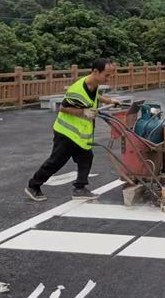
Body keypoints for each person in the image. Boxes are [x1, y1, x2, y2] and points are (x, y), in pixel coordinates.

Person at [25, 58, 119, 202]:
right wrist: (85, 112)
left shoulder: (93, 84)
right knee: (56, 161)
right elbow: (63, 107)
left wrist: (109, 101)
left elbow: (94, 97)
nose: (109, 78)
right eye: (107, 75)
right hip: (67, 132)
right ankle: (33, 186)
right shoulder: (77, 89)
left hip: (79, 134)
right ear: (95, 71)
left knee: (86, 157)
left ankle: (80, 188)